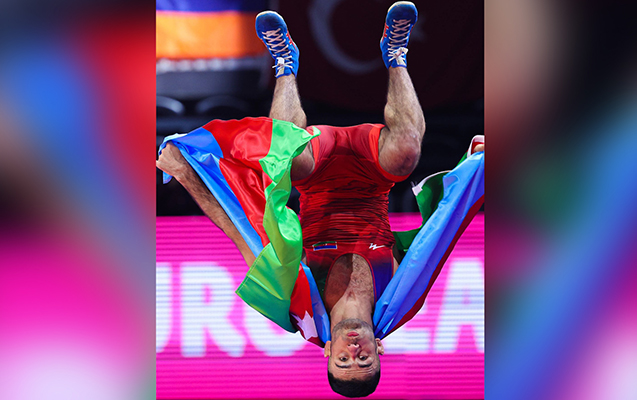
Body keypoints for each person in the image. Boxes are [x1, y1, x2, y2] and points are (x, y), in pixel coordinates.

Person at [157, 2, 484, 397]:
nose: (354, 352)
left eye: (343, 360)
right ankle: (396, 53)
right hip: (373, 174)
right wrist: (476, 170)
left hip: (314, 171)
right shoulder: (402, 300)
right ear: (380, 351)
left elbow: (242, 233)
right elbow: (441, 235)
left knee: (283, 155)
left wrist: (187, 175)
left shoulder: (298, 309)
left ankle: (285, 64)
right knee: (409, 150)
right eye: (364, 360)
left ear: (328, 352)